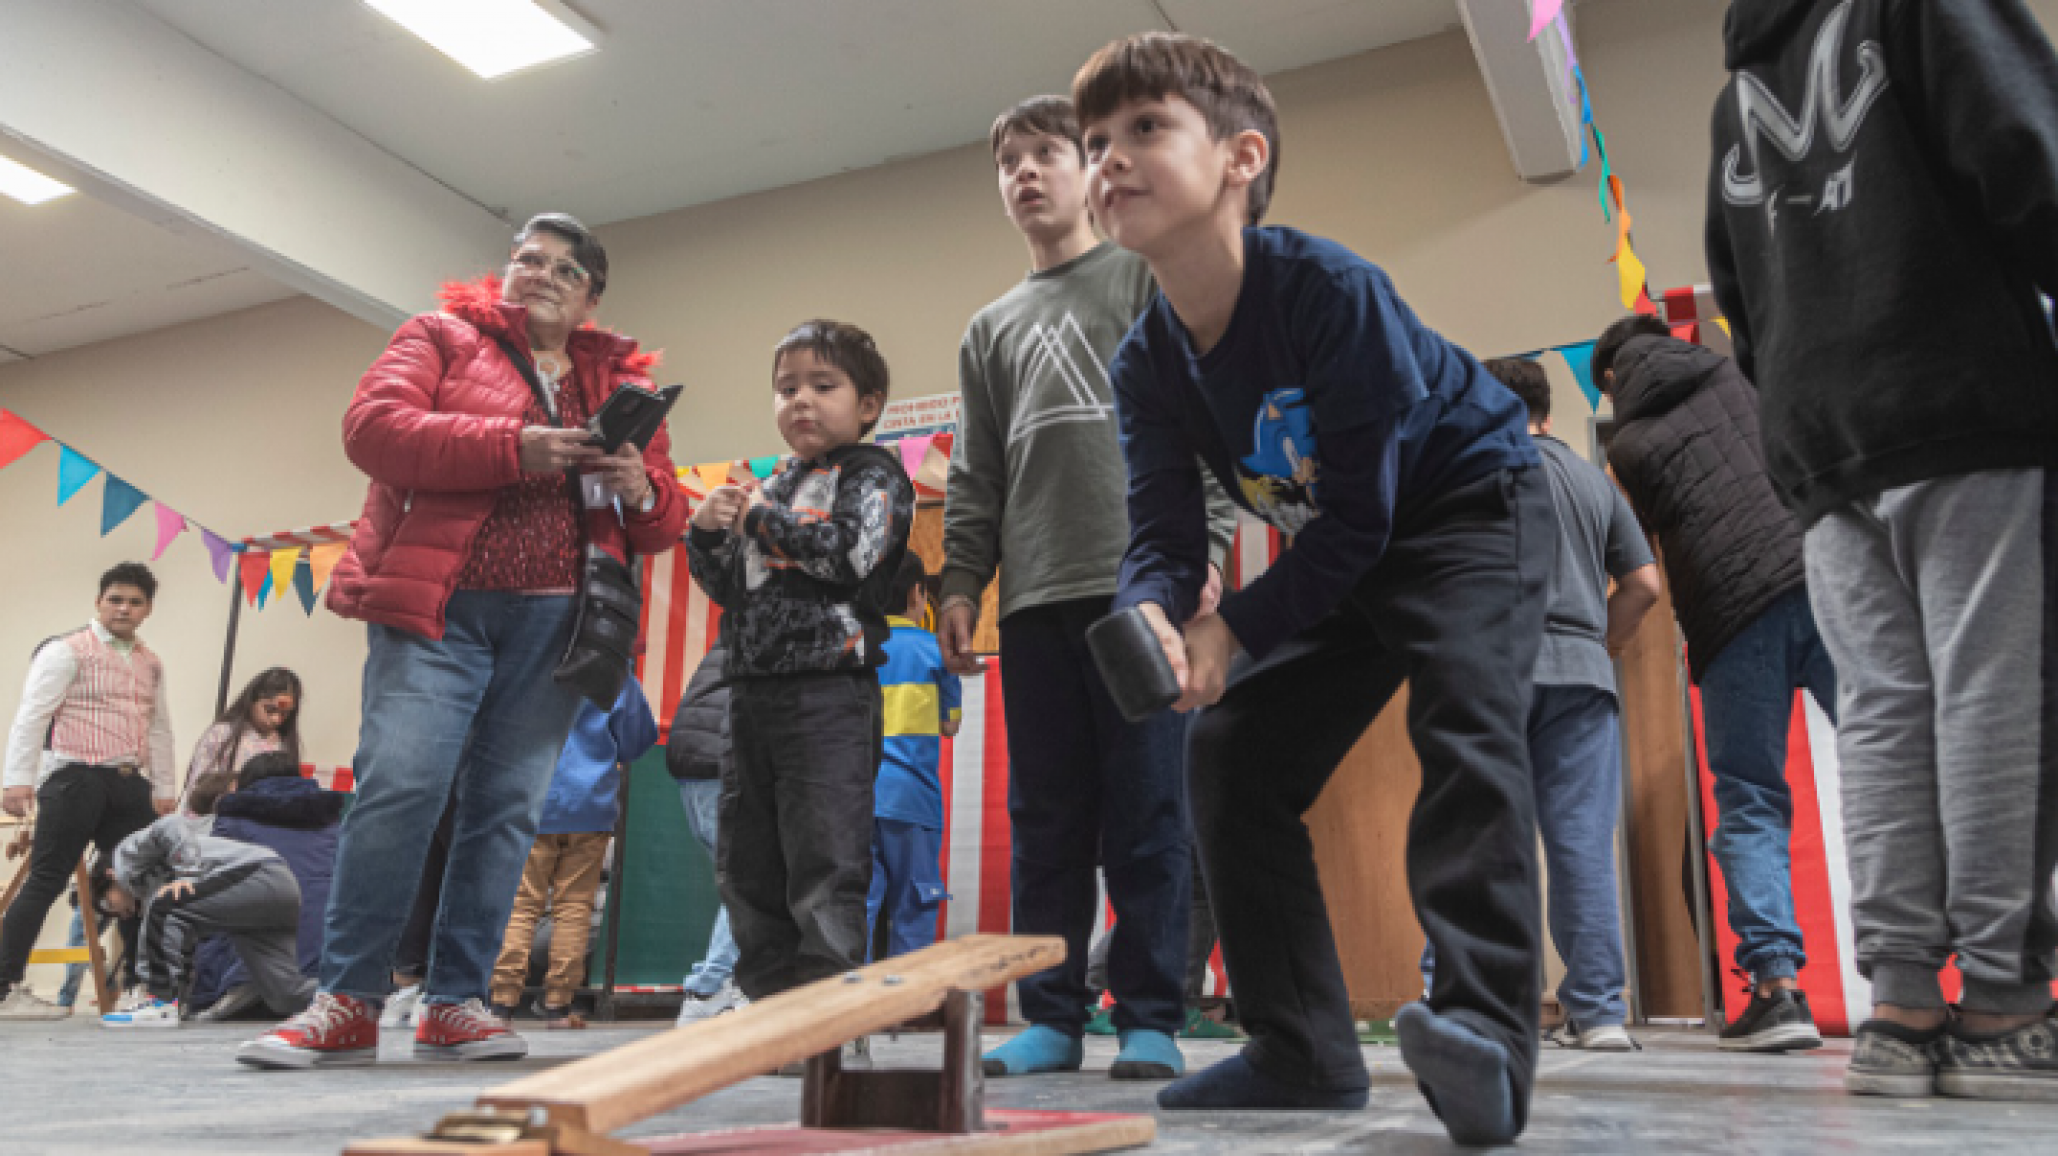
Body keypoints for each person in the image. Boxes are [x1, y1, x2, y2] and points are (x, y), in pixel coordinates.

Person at [1075, 33, 1550, 1145]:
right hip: (1349, 544)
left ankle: (1486, 1036)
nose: (1109, 160)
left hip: (1465, 508)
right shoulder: (1144, 361)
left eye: (1145, 129)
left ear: (1242, 156)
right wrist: (1152, 605)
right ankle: (1301, 1048)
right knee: (1232, 750)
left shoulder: (1329, 291)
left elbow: (1366, 521)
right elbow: (1164, 528)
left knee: (1467, 720)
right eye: (1096, 141)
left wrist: (1230, 628)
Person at [1706, 0, 2058, 1098]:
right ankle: (2005, 1001)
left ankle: (1899, 1007)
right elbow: (2033, 159)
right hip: (1959, 390)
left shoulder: (1734, 98)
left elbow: (1739, 301)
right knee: (1994, 687)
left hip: (1822, 438)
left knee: (1883, 711)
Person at [237, 213, 688, 1069]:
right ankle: (348, 999)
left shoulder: (617, 379)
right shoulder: (440, 336)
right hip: (437, 608)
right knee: (400, 787)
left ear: (592, 295)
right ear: (504, 271)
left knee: (508, 808)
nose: (540, 275)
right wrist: (514, 447)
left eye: (563, 268)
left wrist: (640, 486)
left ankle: (457, 1001)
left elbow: (662, 524)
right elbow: (371, 430)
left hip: (559, 621)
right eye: (526, 260)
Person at [943, 94, 1236, 1083]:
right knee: (1048, 815)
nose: (1026, 172)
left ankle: (1150, 1011)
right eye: (1009, 160)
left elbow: (1209, 423)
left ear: (1089, 168)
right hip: (1033, 604)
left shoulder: (1144, 280)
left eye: (1046, 154)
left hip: (1141, 592)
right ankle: (1051, 1017)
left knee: (1150, 807)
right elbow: (978, 477)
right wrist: (959, 583)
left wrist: (1207, 555)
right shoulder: (987, 329)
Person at [1594, 313, 1833, 1053]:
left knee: (1751, 798)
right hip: (1821, 579)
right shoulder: (1736, 375)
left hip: (1732, 618)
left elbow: (1634, 558)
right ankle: (1922, 986)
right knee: (1896, 768)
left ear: (1609, 380)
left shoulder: (1626, 446)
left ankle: (1777, 990)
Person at [685, 319, 915, 1070]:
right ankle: (775, 1013)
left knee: (826, 859)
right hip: (750, 691)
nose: (802, 402)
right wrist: (707, 534)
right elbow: (734, 588)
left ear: (869, 403)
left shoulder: (875, 473)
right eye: (787, 389)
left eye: (824, 386)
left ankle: (830, 1024)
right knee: (748, 864)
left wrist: (756, 515)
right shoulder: (775, 479)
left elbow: (850, 553)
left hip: (829, 691)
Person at [1418, 358, 1661, 1051]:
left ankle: (1460, 1001)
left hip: (1490, 670)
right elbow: (1643, 582)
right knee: (1582, 843)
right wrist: (1598, 643)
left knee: (1472, 840)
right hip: (1581, 677)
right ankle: (1599, 1015)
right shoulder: (1592, 477)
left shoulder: (1462, 469)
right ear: (1547, 414)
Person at [1, 562, 177, 1020]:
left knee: (143, 878)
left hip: (127, 781)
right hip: (73, 777)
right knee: (48, 877)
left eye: (134, 601)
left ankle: (144, 989)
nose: (123, 608)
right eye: (115, 599)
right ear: (98, 601)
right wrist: (16, 780)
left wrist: (163, 787)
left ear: (149, 609)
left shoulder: (150, 662)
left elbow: (159, 728)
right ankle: (4, 986)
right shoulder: (65, 651)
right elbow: (31, 715)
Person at [489, 673, 658, 1027]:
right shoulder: (614, 670)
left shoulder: (534, 655)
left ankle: (502, 1003)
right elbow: (638, 738)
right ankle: (559, 1006)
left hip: (533, 796)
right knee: (575, 906)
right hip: (590, 804)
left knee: (521, 903)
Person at [100, 772, 314, 1028]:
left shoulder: (125, 857)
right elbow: (181, 942)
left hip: (259, 873)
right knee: (286, 995)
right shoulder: (157, 883)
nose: (122, 914)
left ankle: (159, 1002)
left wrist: (187, 875)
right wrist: (184, 1001)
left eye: (109, 905)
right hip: (279, 886)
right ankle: (360, 995)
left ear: (109, 875)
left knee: (165, 906)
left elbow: (171, 824)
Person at [189, 752, 347, 1021]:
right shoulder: (335, 825)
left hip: (251, 976)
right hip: (328, 971)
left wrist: (203, 994)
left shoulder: (231, 823)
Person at [866, 555, 961, 961]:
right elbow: (950, 725)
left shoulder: (858, 647)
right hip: (912, 797)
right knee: (916, 899)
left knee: (858, 903)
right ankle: (909, 1003)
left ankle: (851, 1004)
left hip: (856, 793)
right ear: (916, 594)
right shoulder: (936, 652)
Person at [666, 632, 747, 1024]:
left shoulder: (721, 645)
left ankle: (723, 985)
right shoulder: (772, 639)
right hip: (723, 765)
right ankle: (708, 988)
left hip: (690, 766)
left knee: (741, 881)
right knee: (748, 883)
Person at [180, 668, 301, 809]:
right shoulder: (222, 734)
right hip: (215, 820)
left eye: (285, 714)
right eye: (270, 710)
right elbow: (197, 788)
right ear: (252, 700)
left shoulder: (283, 743)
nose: (276, 719)